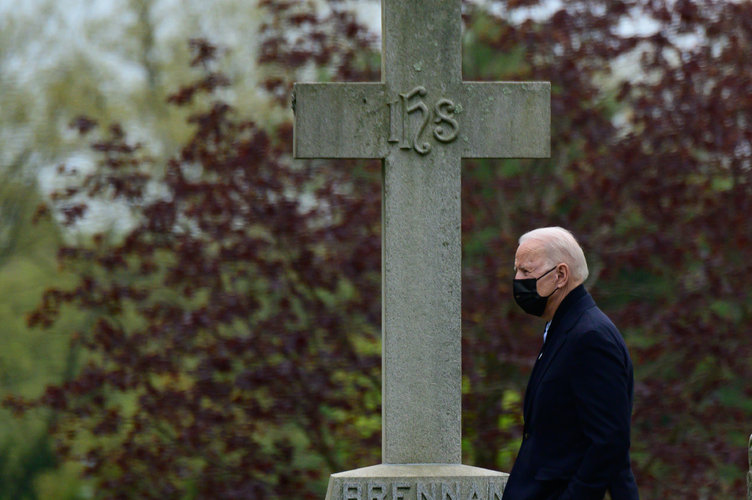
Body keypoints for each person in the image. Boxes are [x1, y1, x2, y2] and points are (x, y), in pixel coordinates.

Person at [503, 227, 639, 500]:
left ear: (561, 275)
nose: (517, 280)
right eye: (516, 271)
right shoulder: (564, 329)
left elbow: (609, 442)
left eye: (527, 272)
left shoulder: (590, 338)